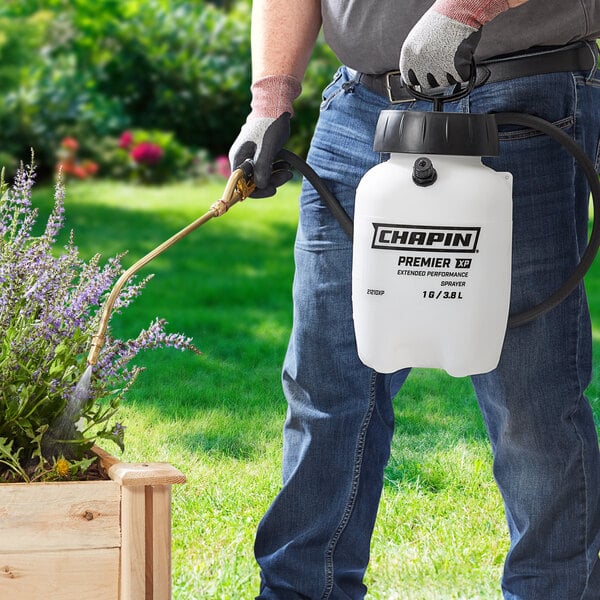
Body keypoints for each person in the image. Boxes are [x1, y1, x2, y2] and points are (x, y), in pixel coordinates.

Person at [229, 1, 600, 598]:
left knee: (531, 403)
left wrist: (468, 10)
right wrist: (269, 100)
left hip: (518, 98)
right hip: (362, 111)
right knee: (326, 387)